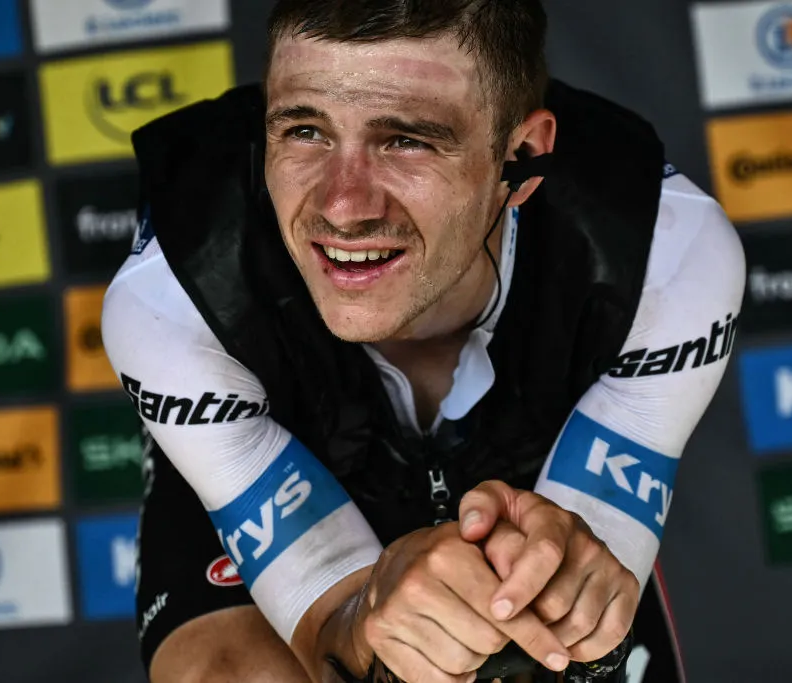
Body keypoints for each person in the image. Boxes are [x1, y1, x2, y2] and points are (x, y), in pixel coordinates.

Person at [101, 1, 746, 682]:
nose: (343, 207)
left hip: (539, 453)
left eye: (406, 141)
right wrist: (367, 619)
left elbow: (568, 618)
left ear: (523, 156)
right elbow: (332, 631)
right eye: (305, 131)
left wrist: (572, 611)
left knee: (561, 638)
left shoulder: (665, 256)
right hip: (286, 427)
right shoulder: (176, 295)